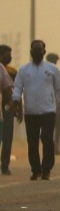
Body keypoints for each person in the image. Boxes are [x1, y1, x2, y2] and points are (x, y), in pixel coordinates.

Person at [11, 39, 60, 180]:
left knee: (47, 139)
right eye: (35, 51)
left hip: (48, 110)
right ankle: (36, 170)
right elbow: (17, 87)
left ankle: (46, 169)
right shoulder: (24, 70)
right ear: (30, 52)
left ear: (44, 52)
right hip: (31, 112)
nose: (37, 53)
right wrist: (16, 101)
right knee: (32, 142)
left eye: (40, 51)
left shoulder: (52, 69)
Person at [45, 52, 60, 155]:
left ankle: (52, 146)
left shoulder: (41, 72)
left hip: (46, 103)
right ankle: (55, 146)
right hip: (55, 103)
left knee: (50, 126)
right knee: (56, 126)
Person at [1, 44, 16, 175]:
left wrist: (17, 105)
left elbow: (15, 89)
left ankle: (4, 165)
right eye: (7, 55)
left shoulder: (12, 71)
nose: (10, 57)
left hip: (7, 108)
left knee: (7, 136)